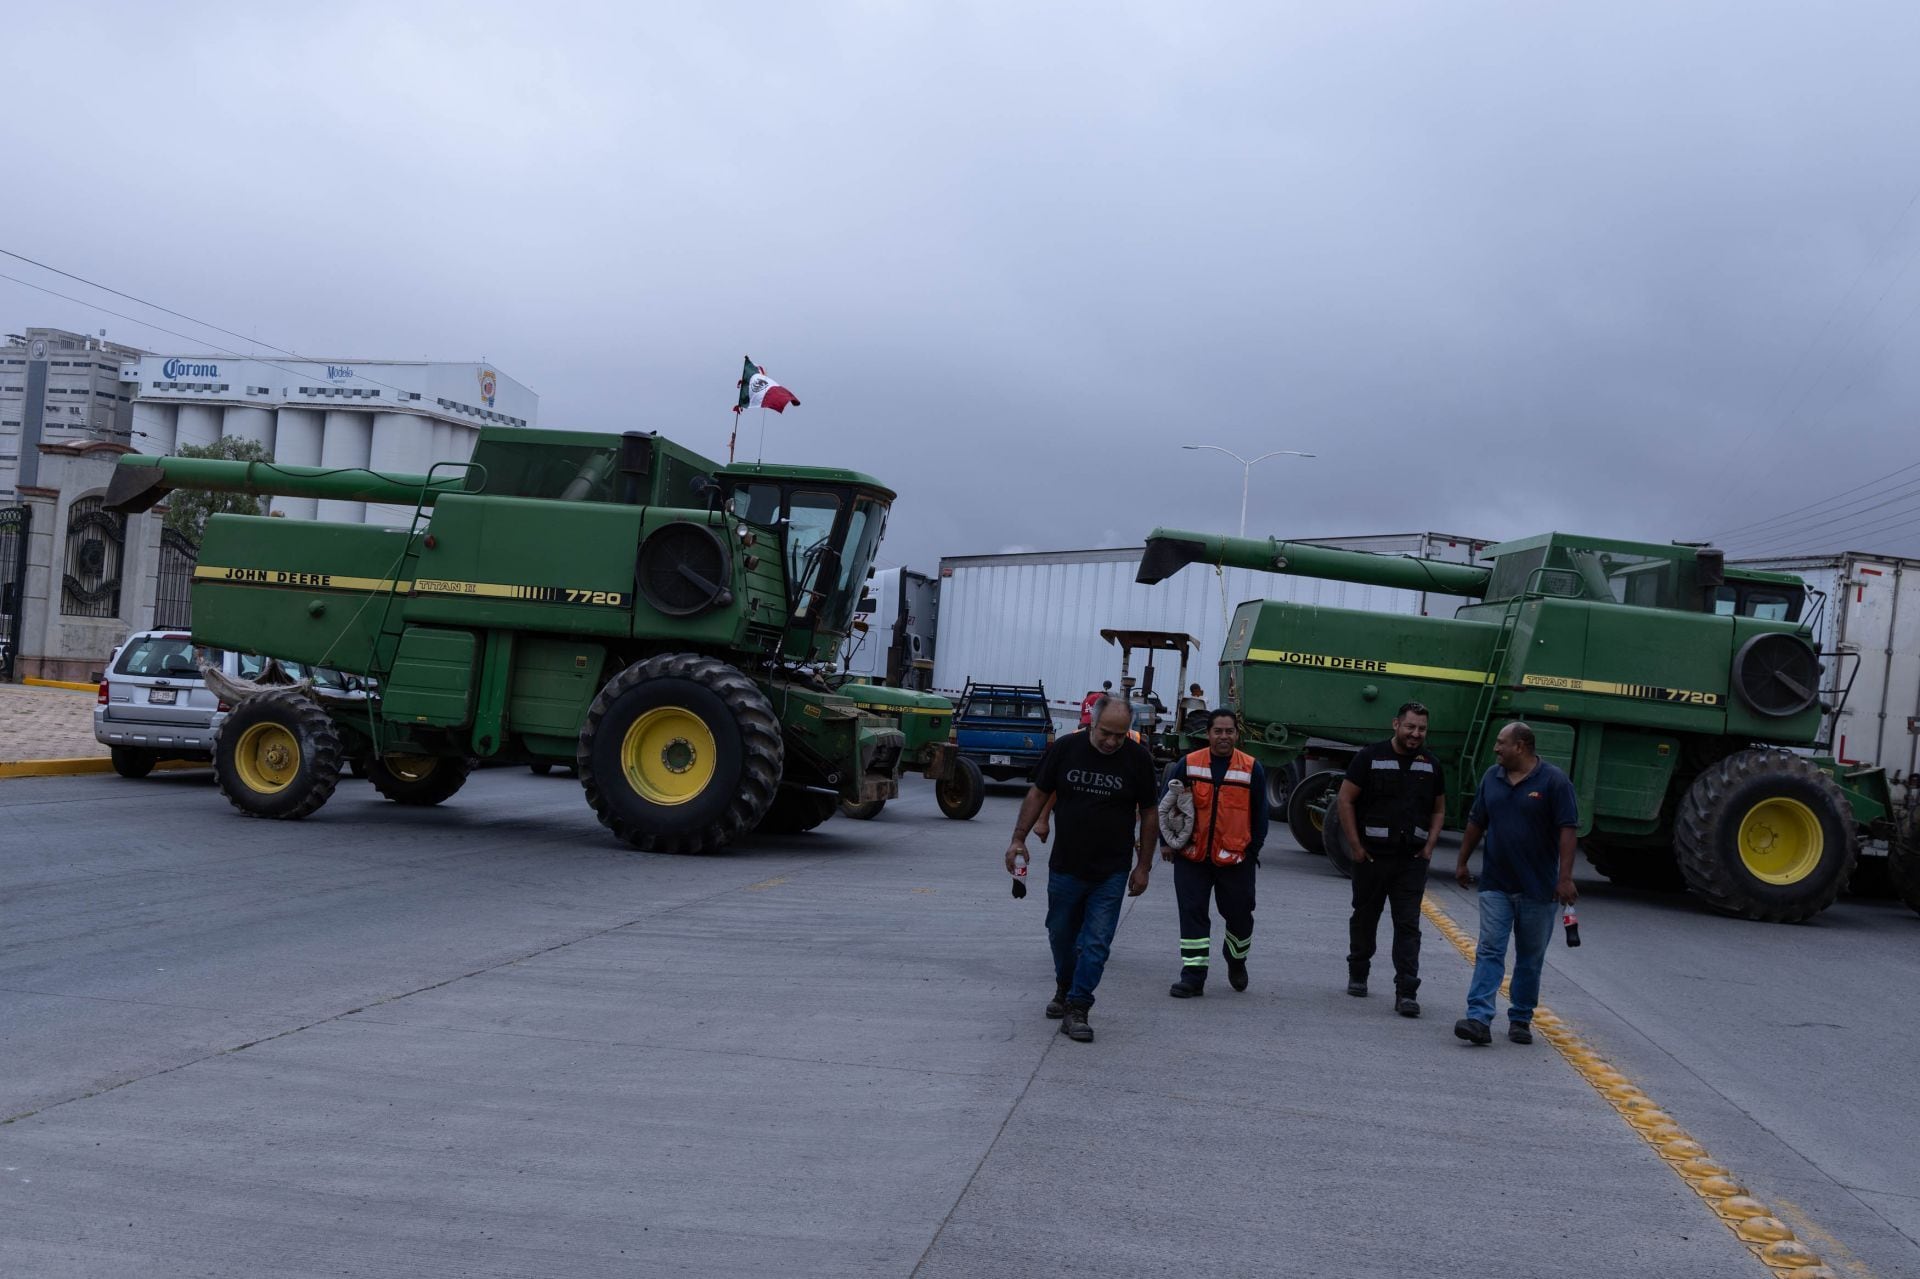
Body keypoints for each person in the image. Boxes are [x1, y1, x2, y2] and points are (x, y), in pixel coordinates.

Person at [1005, 696, 1160, 1043]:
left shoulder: (1138, 759)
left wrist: (1144, 866)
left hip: (1112, 870)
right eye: (1106, 733)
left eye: (1120, 736)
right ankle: (1064, 985)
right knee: (1061, 935)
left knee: (1096, 943)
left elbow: (1150, 813)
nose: (1112, 742)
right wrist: (1019, 838)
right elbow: (1038, 793)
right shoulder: (1066, 749)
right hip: (1066, 866)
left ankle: (1078, 1006)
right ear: (1092, 723)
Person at [1452, 722, 1579, 1046]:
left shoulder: (1553, 781)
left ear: (1520, 746)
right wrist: (1462, 861)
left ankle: (1521, 1016)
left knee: (1529, 956)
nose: (1496, 748)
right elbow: (1477, 821)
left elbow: (1567, 830)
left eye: (1501, 743)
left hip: (1539, 887)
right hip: (1496, 883)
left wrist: (1564, 878)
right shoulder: (1491, 778)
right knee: (1490, 948)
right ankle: (1478, 1018)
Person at [1336, 702, 1445, 1017]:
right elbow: (1345, 800)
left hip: (1411, 860)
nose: (1416, 734)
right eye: (1410, 727)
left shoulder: (1431, 765)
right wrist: (1355, 847)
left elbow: (1439, 809)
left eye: (1422, 729)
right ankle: (1359, 970)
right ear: (1396, 724)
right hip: (1371, 858)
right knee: (1365, 917)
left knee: (1408, 925)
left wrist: (1429, 847)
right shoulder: (1370, 758)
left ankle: (1406, 991)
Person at [1161, 709, 1268, 997]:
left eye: (1229, 731)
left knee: (1240, 915)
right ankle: (1193, 977)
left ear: (1236, 734)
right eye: (1218, 731)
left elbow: (1260, 815)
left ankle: (1236, 959)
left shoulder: (1251, 768)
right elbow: (1167, 804)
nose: (1223, 736)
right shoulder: (1189, 764)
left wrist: (1251, 850)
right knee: (1193, 914)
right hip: (1192, 856)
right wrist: (1167, 841)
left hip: (1235, 859)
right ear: (1208, 734)